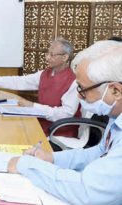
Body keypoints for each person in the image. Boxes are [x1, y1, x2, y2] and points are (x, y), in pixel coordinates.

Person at [7, 41, 122, 205]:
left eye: (82, 89)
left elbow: (87, 191)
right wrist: (51, 158)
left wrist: (27, 166)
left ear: (115, 90)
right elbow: (98, 152)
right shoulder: (115, 115)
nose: (79, 96)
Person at [0, 37, 80, 137]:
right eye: (47, 53)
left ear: (65, 57)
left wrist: (33, 106)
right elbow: (20, 81)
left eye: (52, 55)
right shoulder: (45, 74)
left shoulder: (74, 81)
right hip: (41, 125)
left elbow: (65, 114)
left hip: (59, 133)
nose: (47, 58)